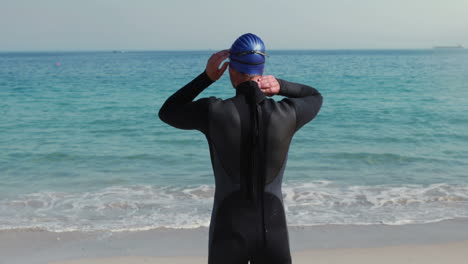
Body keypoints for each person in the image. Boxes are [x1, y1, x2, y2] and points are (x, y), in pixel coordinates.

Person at [159, 33, 322, 264]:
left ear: (230, 69)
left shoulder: (214, 112)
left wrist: (206, 78)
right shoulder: (287, 114)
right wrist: (281, 86)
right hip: (272, 231)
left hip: (228, 232)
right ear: (262, 70)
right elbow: (315, 96)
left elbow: (168, 112)